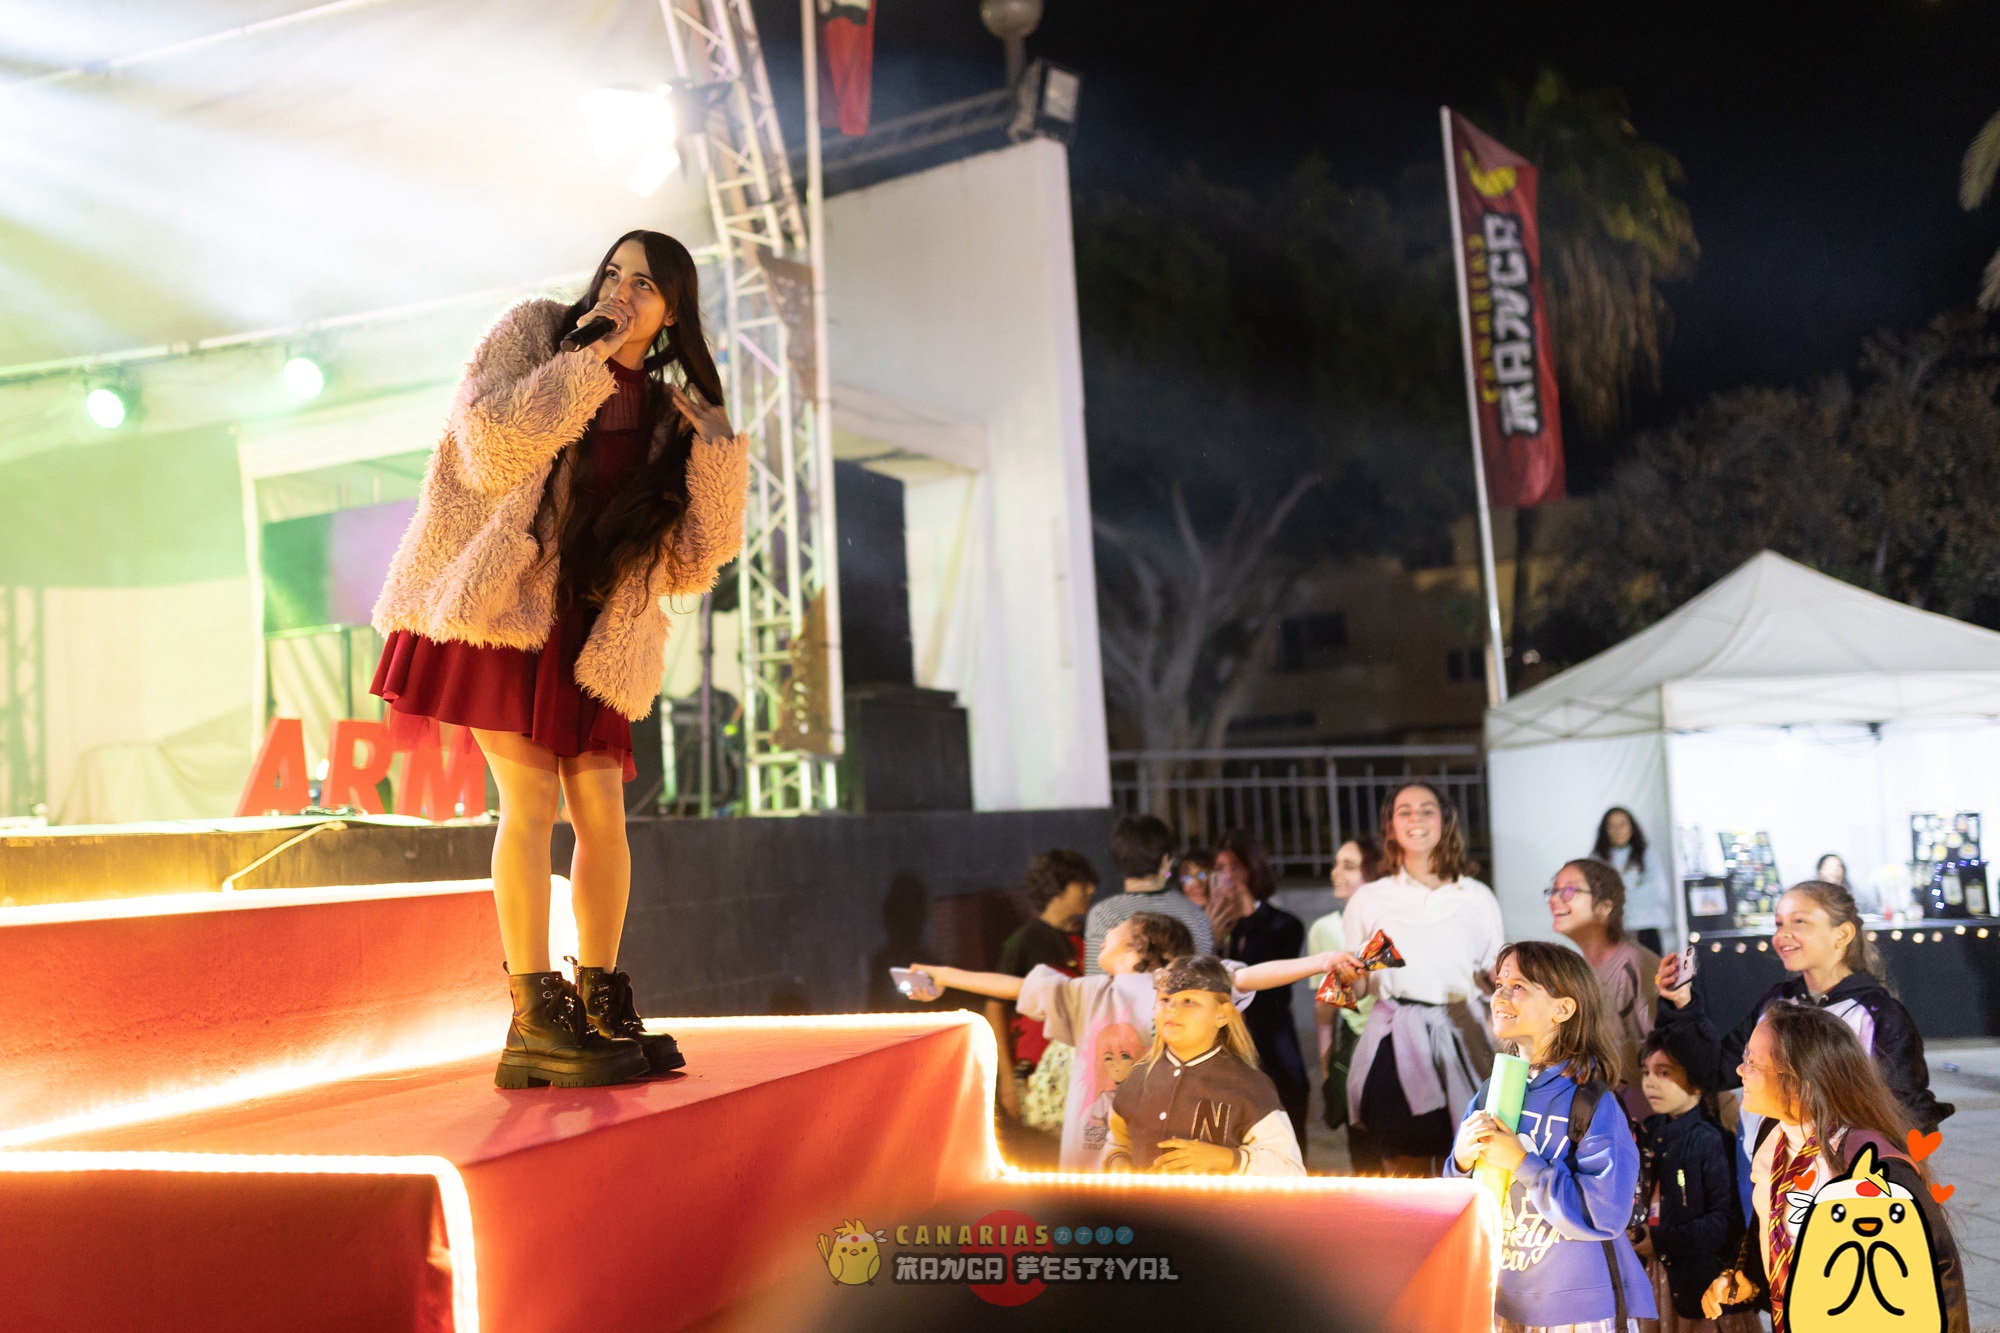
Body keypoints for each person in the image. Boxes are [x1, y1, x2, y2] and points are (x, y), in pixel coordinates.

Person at [370, 230, 748, 1089]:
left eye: (643, 284)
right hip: (502, 606)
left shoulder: (670, 414)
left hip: (591, 630)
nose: (621, 291)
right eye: (614, 273)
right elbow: (486, 448)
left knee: (605, 814)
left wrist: (720, 452)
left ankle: (600, 1000)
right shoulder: (537, 333)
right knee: (532, 803)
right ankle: (535, 1019)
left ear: (673, 311)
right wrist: (583, 362)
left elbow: (695, 560)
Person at [908, 914, 1342, 1169]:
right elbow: (1015, 987)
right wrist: (944, 976)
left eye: (1117, 927)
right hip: (1097, 1150)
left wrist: (1322, 961)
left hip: (1157, 1150)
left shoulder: (1176, 983)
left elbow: (1247, 977)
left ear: (1139, 947)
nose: (1105, 931)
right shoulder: (1089, 992)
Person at [1700, 1004, 1968, 1332]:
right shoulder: (1773, 1133)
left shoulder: (1870, 1163)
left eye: (1753, 1062)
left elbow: (1938, 1269)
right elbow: (1771, 1219)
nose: (1740, 1070)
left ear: (1798, 1084)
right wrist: (1748, 1276)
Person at [1448, 941, 1657, 1331]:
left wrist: (1522, 1163)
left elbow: (1605, 1214)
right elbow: (1461, 1201)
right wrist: (1459, 1161)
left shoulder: (1592, 1101)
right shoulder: (1491, 1090)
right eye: (1499, 984)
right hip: (1501, 1300)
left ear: (1563, 1009)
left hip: (1576, 1310)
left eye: (1519, 987)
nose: (1500, 997)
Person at [1653, 879, 1951, 1135]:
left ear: (1842, 934)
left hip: (1842, 1177)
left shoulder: (1878, 1014)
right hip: (1766, 1174)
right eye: (1779, 923)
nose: (1782, 935)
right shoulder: (1777, 1004)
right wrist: (1682, 1003)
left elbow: (1902, 1108)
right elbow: (1717, 1070)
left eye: (1799, 922)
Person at [1333, 782, 1503, 1176]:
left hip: (1466, 1034)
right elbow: (1358, 989)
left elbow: (1496, 973)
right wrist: (1347, 978)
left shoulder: (1476, 895)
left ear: (1445, 821)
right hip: (1396, 1040)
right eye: (1405, 811)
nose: (1416, 819)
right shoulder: (1369, 899)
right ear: (1390, 827)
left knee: (1474, 1157)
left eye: (1427, 810)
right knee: (1403, 1160)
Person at [1104, 955, 1307, 1176]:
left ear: (1222, 1014)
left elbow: (1291, 1169)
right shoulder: (1136, 1079)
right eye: (1165, 999)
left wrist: (1227, 1159)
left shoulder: (1249, 1086)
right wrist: (1118, 1163)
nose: (1172, 1009)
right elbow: (1116, 1145)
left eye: (1188, 1001)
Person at [1633, 1033, 1757, 1333]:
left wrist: (1661, 1240)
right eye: (1646, 1072)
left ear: (1697, 1080)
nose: (1650, 1083)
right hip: (1655, 1277)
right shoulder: (1649, 1130)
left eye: (1664, 1073)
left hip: (1701, 1286)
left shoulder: (1710, 1139)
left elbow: (1724, 1223)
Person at [1216, 831, 1311, 1151]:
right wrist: (1212, 933)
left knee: (1286, 1121)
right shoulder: (1211, 925)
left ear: (1253, 870)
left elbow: (1266, 977)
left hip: (1272, 1038)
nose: (1227, 877)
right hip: (1227, 1042)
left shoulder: (1284, 924)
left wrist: (1246, 910)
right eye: (1220, 869)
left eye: (1235, 868)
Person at [989, 849, 1094, 1133]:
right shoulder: (1024, 942)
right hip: (1038, 1079)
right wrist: (1007, 1079)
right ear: (1056, 889)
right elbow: (995, 1008)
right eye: (1082, 883)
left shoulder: (1095, 937)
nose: (1091, 890)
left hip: (1086, 1073)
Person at [1548, 857, 1659, 1119]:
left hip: (1647, 1119)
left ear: (1605, 906)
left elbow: (1661, 1053)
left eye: (1569, 890)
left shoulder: (1633, 965)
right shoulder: (1582, 969)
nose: (1554, 899)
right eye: (1553, 890)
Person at [1307, 838, 1381, 1133]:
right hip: (1355, 1044)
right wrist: (1328, 1074)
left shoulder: (1396, 922)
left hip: (1400, 1042)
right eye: (1336, 864)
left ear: (1374, 873)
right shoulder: (1325, 928)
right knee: (1362, 1144)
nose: (1335, 873)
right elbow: (1324, 1010)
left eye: (1348, 866)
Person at [1082, 814, 1213, 975]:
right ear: (1166, 859)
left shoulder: (1103, 912)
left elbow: (1095, 977)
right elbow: (1206, 973)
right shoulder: (1194, 912)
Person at [1595, 807, 1672, 954]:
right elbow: (1594, 896)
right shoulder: (1597, 860)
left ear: (1631, 827)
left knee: (1650, 968)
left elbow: (1658, 892)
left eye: (1622, 824)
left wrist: (1617, 897)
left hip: (1646, 929)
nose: (1618, 830)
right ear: (1605, 830)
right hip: (1611, 931)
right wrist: (1635, 892)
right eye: (1612, 826)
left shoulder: (1648, 855)